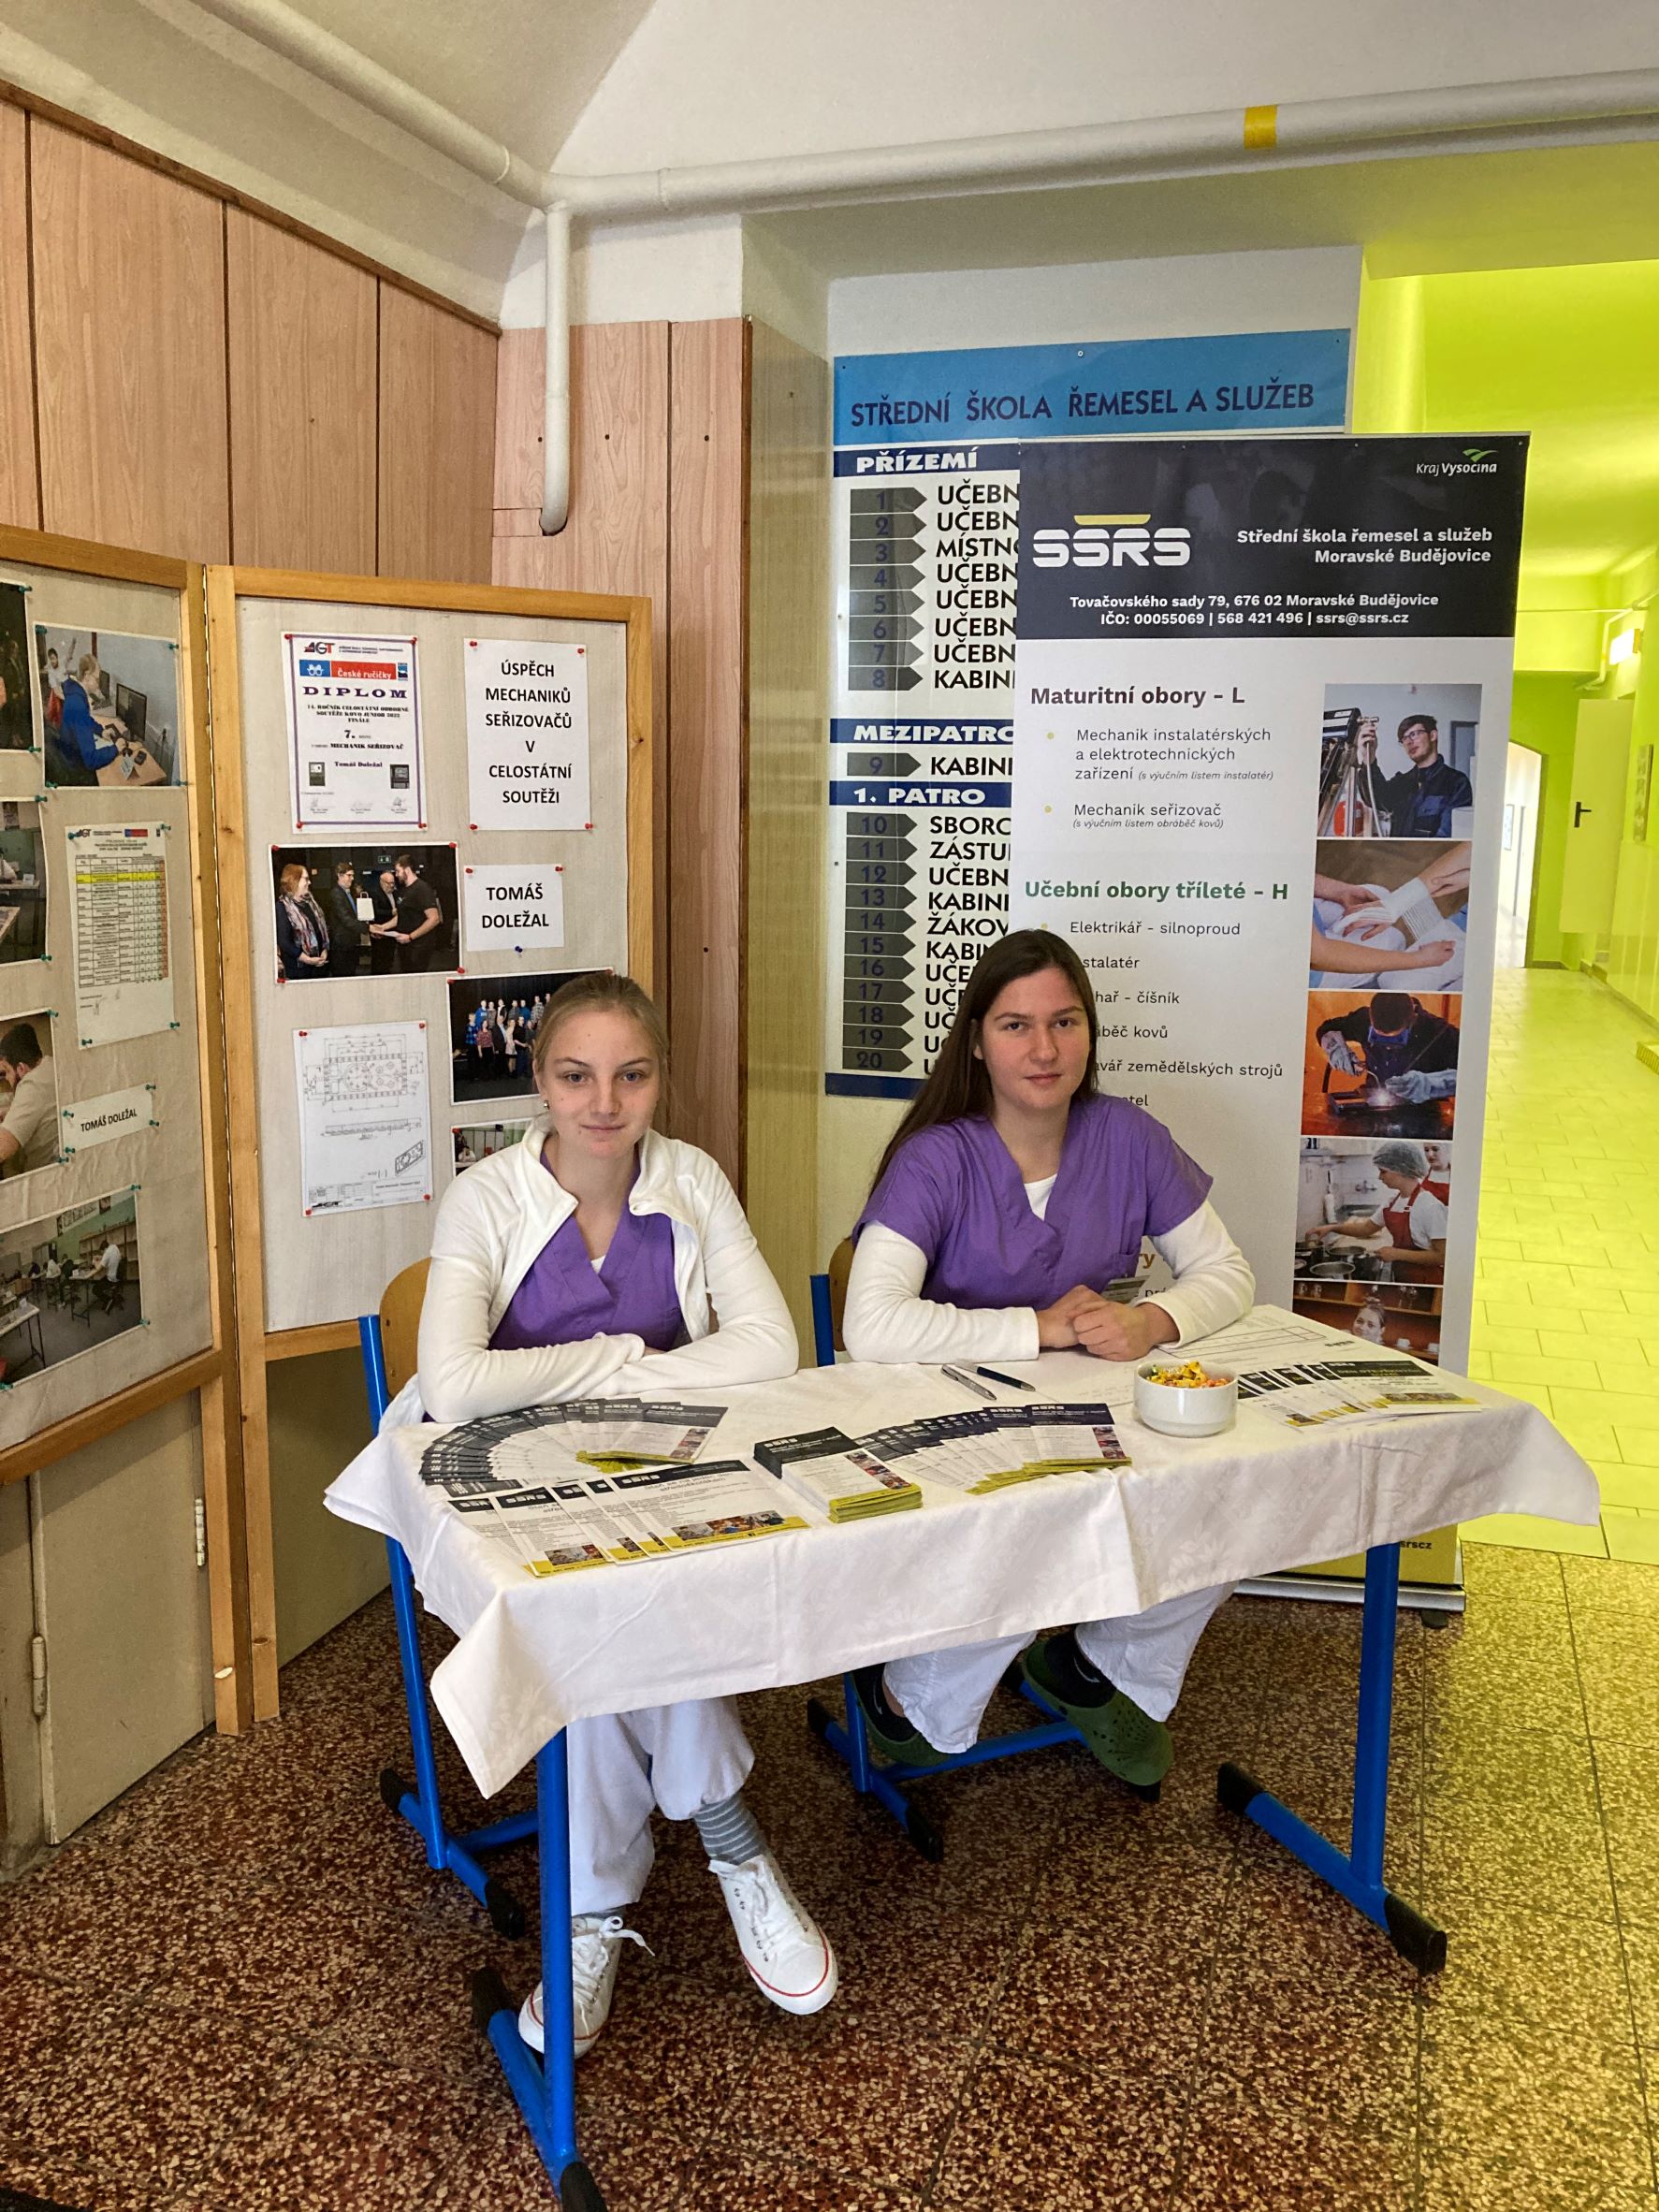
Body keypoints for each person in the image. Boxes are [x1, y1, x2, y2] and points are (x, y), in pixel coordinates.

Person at [407, 972, 834, 2054]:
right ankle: (732, 1843)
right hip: (513, 1489)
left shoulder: (691, 1179)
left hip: (660, 1472)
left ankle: (591, 1910)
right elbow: (453, 1384)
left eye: (631, 1076)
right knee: (588, 1610)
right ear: (539, 1080)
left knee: (610, 1613)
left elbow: (770, 1345)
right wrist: (624, 1356)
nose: (604, 1103)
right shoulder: (486, 1198)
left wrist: (587, 1379)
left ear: (659, 1080)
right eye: (576, 1076)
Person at [841, 929, 1254, 1791]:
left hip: (1089, 1411)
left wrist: (1154, 1320)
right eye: (1015, 1025)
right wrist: (1042, 1328)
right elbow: (871, 1324)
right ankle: (906, 1699)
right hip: (949, 1418)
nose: (1044, 1049)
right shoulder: (936, 1157)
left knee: (1229, 1506)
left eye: (1064, 1022)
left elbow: (1227, 1273)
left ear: (1090, 1032)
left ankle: (1094, 1667)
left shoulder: (1127, 1137)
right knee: (1026, 1537)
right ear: (976, 1041)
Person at [1305, 1141, 1448, 1279]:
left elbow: (1442, 1256)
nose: (1379, 1177)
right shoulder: (1392, 1202)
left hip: (1426, 1279)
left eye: (1383, 1171)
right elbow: (1365, 1229)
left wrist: (1397, 1254)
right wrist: (1331, 1228)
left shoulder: (1429, 1206)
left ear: (1401, 1169)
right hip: (1402, 1275)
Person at [1317, 992, 1459, 1108]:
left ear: (1412, 1020)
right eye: (1378, 1036)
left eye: (1395, 1039)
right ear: (1370, 1018)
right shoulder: (1362, 1020)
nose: (1388, 1046)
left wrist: (1429, 1083)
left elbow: (1468, 1075)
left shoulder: (1439, 1032)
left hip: (1423, 1110)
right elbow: (1326, 1029)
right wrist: (1336, 1050)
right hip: (1373, 1101)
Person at [1356, 712, 1473, 839]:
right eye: (1404, 738)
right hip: (1398, 851)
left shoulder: (1456, 783)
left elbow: (1446, 837)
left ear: (1432, 735)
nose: (1408, 742)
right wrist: (1369, 758)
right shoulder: (1403, 782)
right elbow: (1375, 798)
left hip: (1432, 852)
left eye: (1414, 734)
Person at [56, 654, 128, 779]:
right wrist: (115, 749)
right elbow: (91, 759)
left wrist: (101, 731)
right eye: (97, 679)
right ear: (87, 676)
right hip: (76, 769)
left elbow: (86, 720)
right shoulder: (77, 703)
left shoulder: (75, 693)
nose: (99, 684)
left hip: (71, 755)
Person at [0, 1022, 58, 1175]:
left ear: (21, 1068)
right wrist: (10, 1111)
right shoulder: (51, 1066)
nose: (7, 1079)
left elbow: (3, 1148)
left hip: (43, 1177)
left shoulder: (33, 1084)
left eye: (7, 1071)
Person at [389, 853, 444, 973]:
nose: (396, 875)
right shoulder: (404, 890)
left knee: (416, 976)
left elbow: (434, 919)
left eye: (398, 871)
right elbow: (402, 916)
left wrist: (411, 937)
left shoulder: (422, 889)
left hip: (418, 946)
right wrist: (382, 927)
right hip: (405, 944)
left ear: (407, 870)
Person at [275, 863, 330, 980]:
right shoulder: (282, 907)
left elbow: (322, 930)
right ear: (294, 881)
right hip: (298, 970)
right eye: (306, 879)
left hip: (319, 968)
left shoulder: (310, 903)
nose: (309, 882)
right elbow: (285, 943)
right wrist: (308, 960)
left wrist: (324, 950)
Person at [325, 860, 366, 978]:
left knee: (351, 973)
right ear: (340, 875)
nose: (352, 878)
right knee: (342, 976)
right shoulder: (336, 894)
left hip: (351, 943)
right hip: (341, 945)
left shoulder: (348, 893)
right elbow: (346, 919)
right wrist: (368, 928)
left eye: (352, 875)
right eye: (349, 875)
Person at [368, 868, 400, 975]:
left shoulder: (395, 893)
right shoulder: (374, 893)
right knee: (379, 959)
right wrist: (391, 912)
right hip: (379, 931)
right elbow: (375, 911)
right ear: (381, 882)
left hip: (393, 931)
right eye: (388, 883)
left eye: (393, 883)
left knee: (389, 958)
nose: (391, 885)